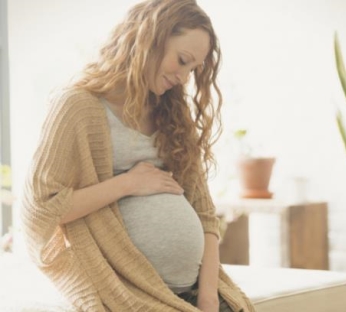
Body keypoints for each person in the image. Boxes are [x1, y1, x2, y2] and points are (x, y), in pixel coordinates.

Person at [20, 0, 255, 311]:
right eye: (182, 60)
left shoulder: (172, 112)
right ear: (150, 38)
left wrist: (209, 297)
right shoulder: (78, 106)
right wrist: (128, 184)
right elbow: (41, 211)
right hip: (127, 291)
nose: (184, 78)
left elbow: (205, 214)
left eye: (193, 69)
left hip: (197, 291)